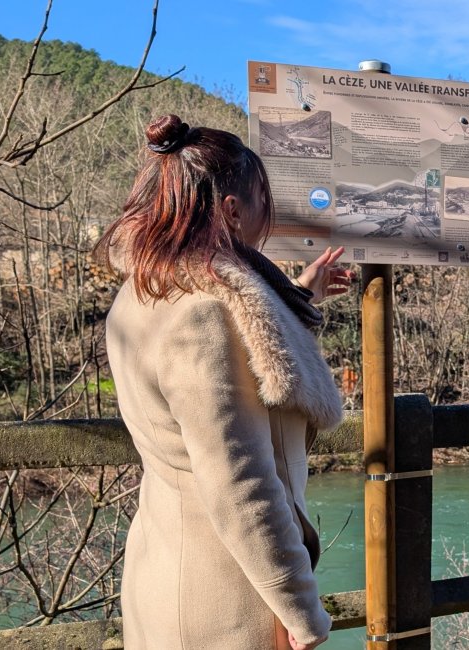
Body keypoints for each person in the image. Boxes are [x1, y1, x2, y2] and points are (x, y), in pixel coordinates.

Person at [98, 114, 353, 649]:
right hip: (227, 604)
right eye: (264, 200)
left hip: (169, 571)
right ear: (233, 212)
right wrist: (301, 613)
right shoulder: (206, 315)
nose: (269, 218)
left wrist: (301, 293)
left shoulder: (143, 293)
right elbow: (241, 484)